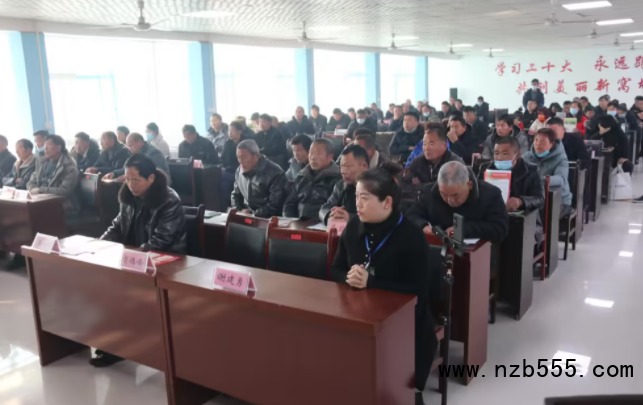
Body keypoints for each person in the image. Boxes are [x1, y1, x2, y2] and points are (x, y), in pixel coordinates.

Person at [329, 163, 440, 398]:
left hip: (403, 323)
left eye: (364, 198)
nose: (357, 204)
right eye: (356, 197)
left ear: (387, 202)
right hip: (357, 314)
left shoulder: (411, 237)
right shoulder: (353, 226)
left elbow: (417, 291)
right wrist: (349, 277)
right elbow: (335, 269)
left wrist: (371, 282)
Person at [407, 161, 509, 243]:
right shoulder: (429, 192)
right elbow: (411, 216)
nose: (450, 200)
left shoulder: (491, 194)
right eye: (444, 194)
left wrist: (463, 229)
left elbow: (500, 229)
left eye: (455, 195)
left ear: (469, 185)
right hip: (437, 249)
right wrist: (423, 226)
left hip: (477, 254)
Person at [483, 136, 545, 243]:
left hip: (523, 220)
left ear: (518, 155)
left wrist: (521, 201)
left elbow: (540, 199)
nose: (499, 158)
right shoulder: (486, 169)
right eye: (496, 153)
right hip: (493, 217)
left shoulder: (532, 170)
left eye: (505, 153)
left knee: (512, 236)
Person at [283, 138, 341, 219]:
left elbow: (334, 210)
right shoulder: (302, 176)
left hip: (321, 224)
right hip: (298, 223)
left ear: (330, 157)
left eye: (317, 153)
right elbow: (289, 204)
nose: (313, 157)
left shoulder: (338, 179)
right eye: (311, 153)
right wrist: (290, 220)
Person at [522, 129, 573, 217]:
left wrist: (541, 179)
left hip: (559, 200)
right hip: (535, 198)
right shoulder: (527, 156)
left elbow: (561, 179)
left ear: (551, 144)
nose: (538, 144)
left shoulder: (561, 158)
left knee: (544, 214)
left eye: (542, 141)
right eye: (536, 140)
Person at [231, 139, 287, 218]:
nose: (240, 161)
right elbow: (235, 195)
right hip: (247, 215)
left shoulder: (275, 173)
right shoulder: (239, 171)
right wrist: (238, 210)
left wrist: (253, 215)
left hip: (268, 218)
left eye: (243, 157)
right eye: (238, 157)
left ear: (256, 156)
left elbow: (275, 205)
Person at [28, 135, 80, 215]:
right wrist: (33, 189)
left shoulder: (69, 166)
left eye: (48, 145)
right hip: (42, 201)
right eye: (44, 145)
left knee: (32, 214)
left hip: (62, 205)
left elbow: (64, 191)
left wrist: (40, 190)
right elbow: (31, 181)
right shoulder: (42, 162)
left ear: (59, 147)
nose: (45, 148)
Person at [319, 144, 370, 225]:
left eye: (347, 166)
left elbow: (375, 216)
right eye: (341, 167)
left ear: (364, 166)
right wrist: (331, 214)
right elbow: (324, 208)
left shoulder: (375, 187)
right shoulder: (340, 186)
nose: (343, 171)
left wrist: (349, 217)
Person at [404, 123, 463, 188]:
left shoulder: (454, 165)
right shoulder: (417, 162)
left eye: (431, 144)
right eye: (424, 144)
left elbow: (444, 188)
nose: (427, 148)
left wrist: (421, 186)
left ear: (444, 145)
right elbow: (407, 184)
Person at [104, 133, 171, 182]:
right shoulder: (135, 153)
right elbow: (127, 169)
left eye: (131, 145)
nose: (129, 149)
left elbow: (155, 173)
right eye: (128, 146)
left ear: (139, 143)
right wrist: (114, 173)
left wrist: (129, 177)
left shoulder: (153, 153)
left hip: (159, 184)